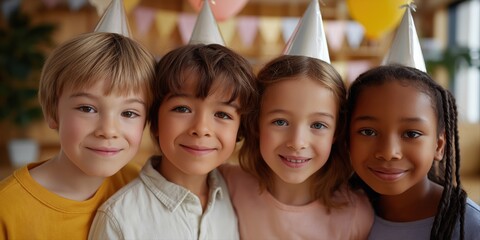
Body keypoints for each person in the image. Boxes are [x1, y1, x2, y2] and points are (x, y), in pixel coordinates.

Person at [88, 43, 258, 239]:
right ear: (155, 120)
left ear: (240, 129)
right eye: (182, 109)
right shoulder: (120, 218)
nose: (201, 129)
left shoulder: (238, 196)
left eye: (222, 114)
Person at [0, 32, 156, 239]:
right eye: (87, 109)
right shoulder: (7, 208)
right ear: (52, 112)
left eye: (129, 113)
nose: (108, 130)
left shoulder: (142, 186)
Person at [220, 55, 374, 239]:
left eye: (318, 125)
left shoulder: (355, 215)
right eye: (280, 122)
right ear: (256, 123)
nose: (297, 142)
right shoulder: (226, 185)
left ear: (336, 132)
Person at [347, 65, 480, 240]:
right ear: (346, 137)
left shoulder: (469, 227)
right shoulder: (340, 215)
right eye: (368, 132)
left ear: (439, 146)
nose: (388, 152)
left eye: (411, 134)